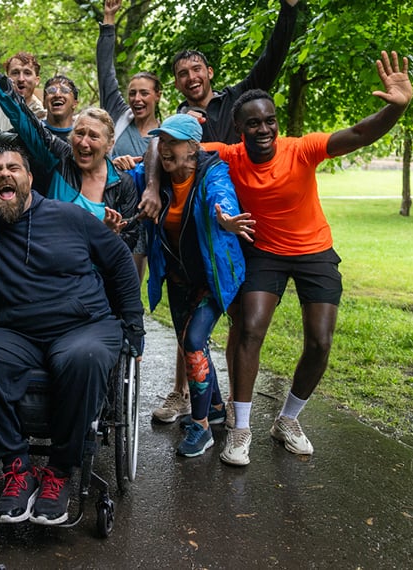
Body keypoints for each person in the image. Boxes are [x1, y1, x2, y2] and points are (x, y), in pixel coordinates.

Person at [0, 142, 144, 525]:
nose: (5, 174)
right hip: (18, 333)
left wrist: (133, 326)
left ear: (29, 179)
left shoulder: (71, 217)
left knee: (82, 357)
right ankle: (16, 468)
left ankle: (59, 471)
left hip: (84, 327)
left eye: (13, 168)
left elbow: (118, 261)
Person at [206, 51, 412, 466]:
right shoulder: (229, 155)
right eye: (253, 123)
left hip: (315, 251)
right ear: (238, 128)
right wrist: (132, 158)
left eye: (269, 120)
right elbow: (177, 151)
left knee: (319, 342)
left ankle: (287, 420)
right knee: (250, 330)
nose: (263, 129)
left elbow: (357, 134)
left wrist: (395, 108)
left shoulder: (301, 149)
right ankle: (240, 428)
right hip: (265, 253)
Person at [141, 0, 300, 428]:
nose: (191, 77)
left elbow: (271, 62)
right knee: (188, 324)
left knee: (235, 319)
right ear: (176, 82)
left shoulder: (235, 104)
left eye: (197, 69)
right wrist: (151, 183)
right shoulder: (179, 123)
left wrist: (288, 12)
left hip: (237, 226)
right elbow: (157, 151)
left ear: (209, 72)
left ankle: (232, 399)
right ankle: (183, 393)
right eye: (182, 73)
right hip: (193, 233)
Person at [133, 114, 253, 457]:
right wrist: (122, 165)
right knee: (189, 343)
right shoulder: (159, 177)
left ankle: (201, 428)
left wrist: (226, 218)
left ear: (194, 147)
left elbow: (221, 197)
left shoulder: (213, 173)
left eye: (174, 141)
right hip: (178, 277)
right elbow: (125, 177)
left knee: (194, 342)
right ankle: (214, 409)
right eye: (163, 141)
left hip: (213, 278)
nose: (166, 148)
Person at [0, 29, 140, 249]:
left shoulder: (123, 184)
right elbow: (25, 119)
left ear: (110, 144)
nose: (84, 142)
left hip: (95, 277)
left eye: (93, 136)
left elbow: (128, 240)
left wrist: (108, 237)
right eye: (79, 134)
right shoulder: (61, 157)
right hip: (48, 264)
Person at [97, 0, 161, 161]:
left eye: (144, 93)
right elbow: (105, 71)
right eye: (132, 93)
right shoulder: (118, 114)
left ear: (157, 95)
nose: (137, 99)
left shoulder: (166, 135)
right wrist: (109, 18)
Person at [0, 0, 45, 131]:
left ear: (37, 80)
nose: (21, 79)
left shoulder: (43, 118)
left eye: (27, 73)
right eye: (15, 73)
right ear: (7, 77)